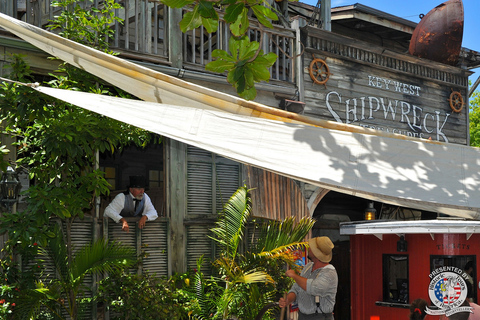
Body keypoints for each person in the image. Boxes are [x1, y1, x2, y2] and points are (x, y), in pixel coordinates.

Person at [278, 236, 338, 320]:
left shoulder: (330, 273)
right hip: (302, 316)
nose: (309, 248)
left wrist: (294, 276)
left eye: (311, 247)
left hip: (320, 317)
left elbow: (313, 288)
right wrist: (288, 300)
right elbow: (296, 289)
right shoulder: (308, 267)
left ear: (316, 253)